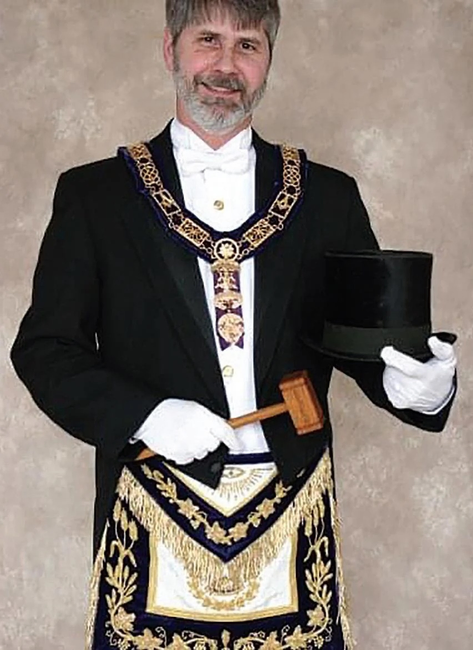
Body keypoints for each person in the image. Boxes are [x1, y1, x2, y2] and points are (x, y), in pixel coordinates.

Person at [11, 1, 457, 649]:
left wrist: (419, 386)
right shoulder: (95, 195)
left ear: (268, 60)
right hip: (150, 502)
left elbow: (363, 341)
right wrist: (145, 414)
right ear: (170, 50)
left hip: (292, 508)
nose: (225, 64)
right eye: (208, 40)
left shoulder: (327, 195)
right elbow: (47, 349)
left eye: (247, 45)